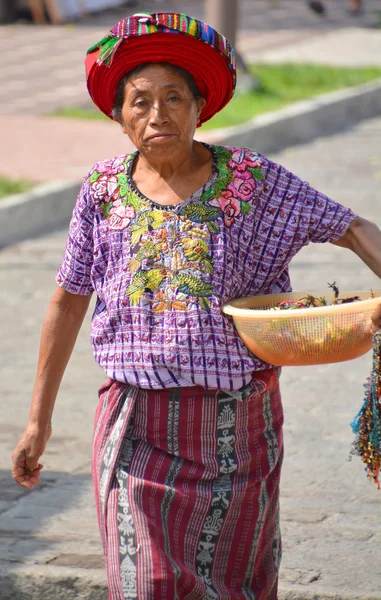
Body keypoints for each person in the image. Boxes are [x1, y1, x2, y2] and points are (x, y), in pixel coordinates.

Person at [11, 11, 381, 600]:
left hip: (237, 429)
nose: (157, 115)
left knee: (233, 586)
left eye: (174, 98)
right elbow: (67, 300)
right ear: (118, 116)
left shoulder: (253, 181)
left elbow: (350, 225)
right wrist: (37, 420)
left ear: (200, 107)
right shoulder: (103, 191)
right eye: (139, 102)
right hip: (134, 425)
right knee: (145, 584)